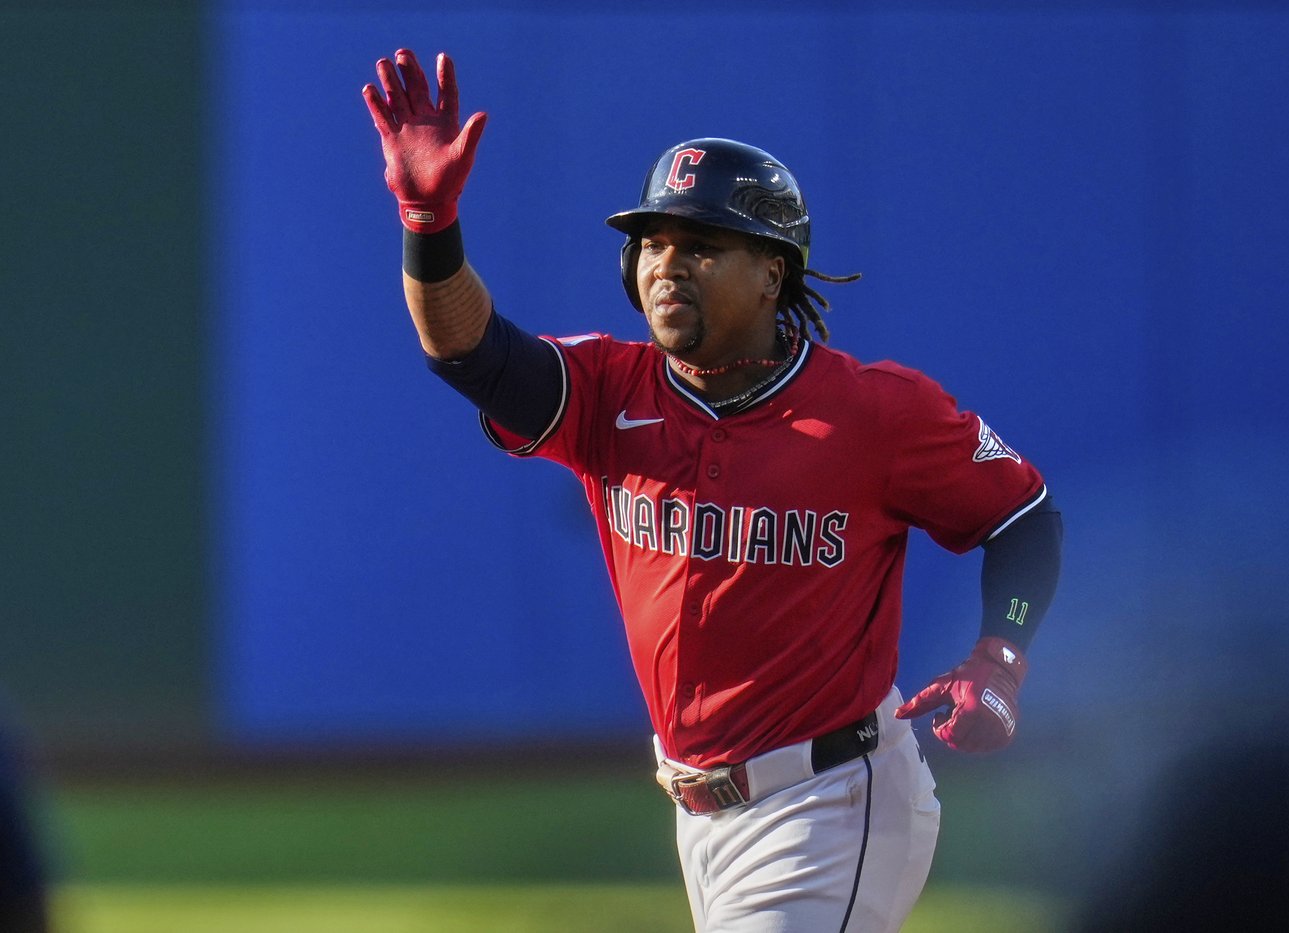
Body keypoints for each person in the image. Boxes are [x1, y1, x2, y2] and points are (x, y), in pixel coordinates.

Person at [363, 48, 1063, 933]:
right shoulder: (609, 390)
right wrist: (428, 217)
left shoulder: (873, 413)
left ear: (773, 271)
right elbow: (471, 354)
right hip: (702, 813)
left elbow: (1026, 515)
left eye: (700, 245)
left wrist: (1001, 654)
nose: (666, 264)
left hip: (832, 800)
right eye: (653, 243)